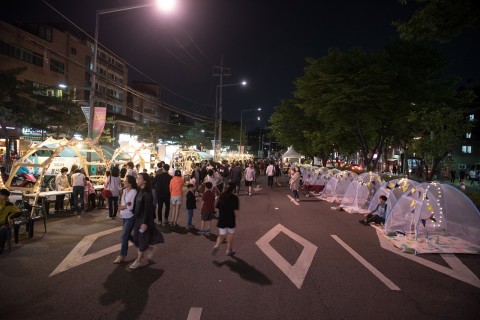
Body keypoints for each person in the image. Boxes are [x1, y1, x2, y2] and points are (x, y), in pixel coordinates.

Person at [130, 172, 164, 269]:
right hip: (138, 219)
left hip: (143, 220)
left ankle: (139, 260)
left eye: (139, 178)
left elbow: (148, 210)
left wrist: (144, 223)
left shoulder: (147, 194)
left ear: (144, 181)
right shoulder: (139, 191)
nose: (137, 180)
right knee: (136, 238)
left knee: (141, 239)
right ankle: (150, 247)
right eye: (137, 178)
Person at [113, 175, 138, 264]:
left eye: (126, 181)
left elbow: (131, 205)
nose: (124, 182)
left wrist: (123, 206)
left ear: (130, 183)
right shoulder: (124, 191)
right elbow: (125, 203)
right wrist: (123, 206)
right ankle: (142, 246)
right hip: (124, 215)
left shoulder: (134, 192)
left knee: (124, 236)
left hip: (131, 216)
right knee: (127, 235)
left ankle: (122, 255)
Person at [211, 182, 239, 257]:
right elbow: (235, 209)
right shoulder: (234, 197)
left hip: (222, 218)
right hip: (230, 218)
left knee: (222, 234)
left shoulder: (221, 196)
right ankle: (229, 250)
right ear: (233, 189)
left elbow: (218, 207)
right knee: (230, 233)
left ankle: (216, 245)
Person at [0, 188, 20, 254]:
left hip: (4, 223)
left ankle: (1, 248)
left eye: (6, 196)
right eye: (4, 196)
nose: (5, 198)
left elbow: (18, 212)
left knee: (3, 230)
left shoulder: (9, 204)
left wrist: (10, 217)